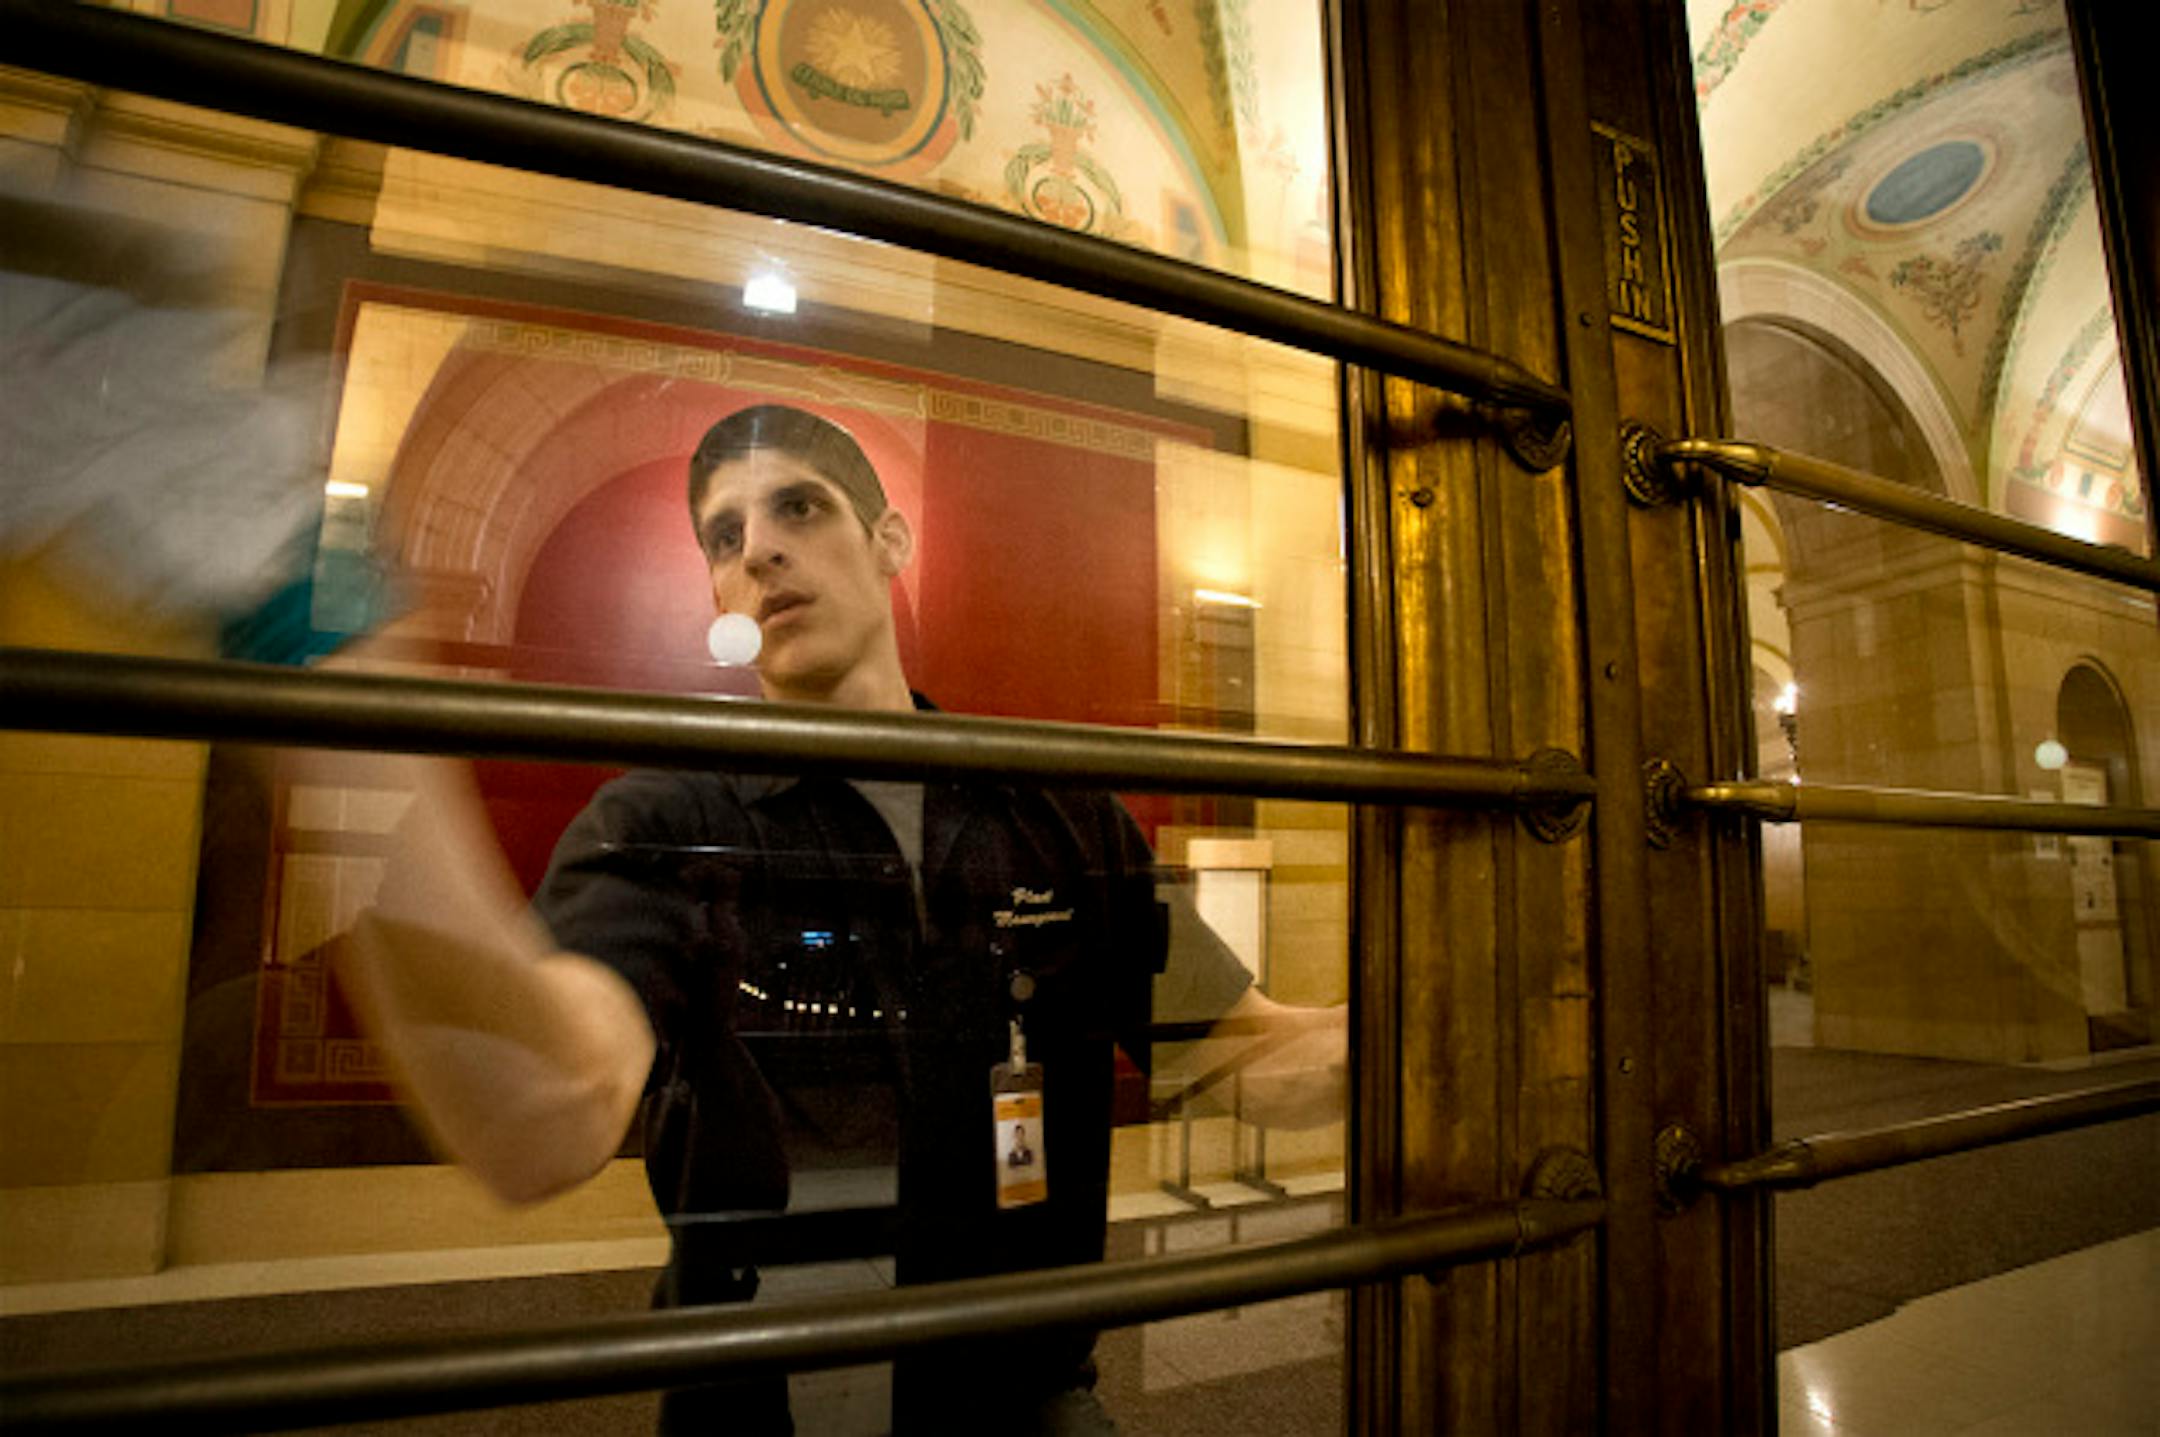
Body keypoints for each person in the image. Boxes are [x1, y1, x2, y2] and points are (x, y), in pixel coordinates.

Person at [340, 405, 1342, 1435]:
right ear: (717, 589)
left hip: (1023, 1398)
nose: (758, 549)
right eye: (724, 536)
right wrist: (357, 738)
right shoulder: (671, 820)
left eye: (800, 508)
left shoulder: (1056, 809)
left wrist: (1413, 1032)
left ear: (888, 540)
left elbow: (1251, 1056)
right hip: (761, 1408)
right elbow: (545, 1114)